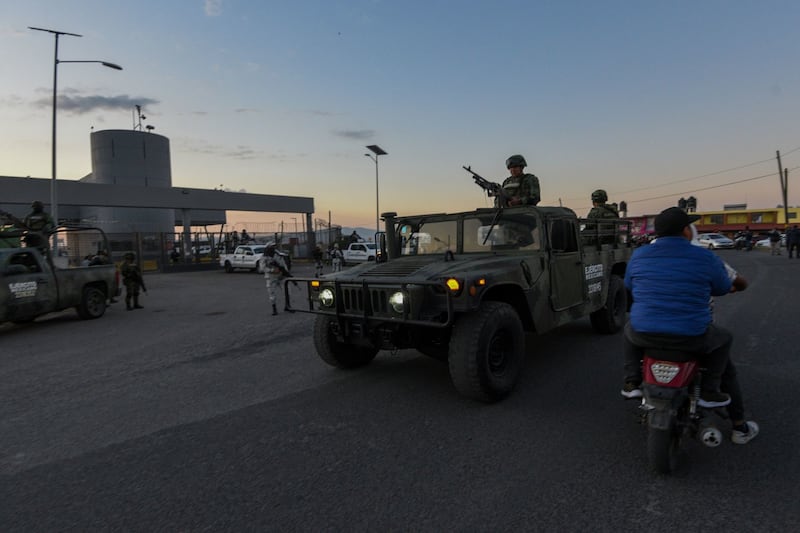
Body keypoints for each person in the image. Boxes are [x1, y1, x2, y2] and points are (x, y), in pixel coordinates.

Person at [622, 207, 758, 444]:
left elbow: (630, 286)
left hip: (646, 334)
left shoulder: (639, 255)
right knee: (724, 340)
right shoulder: (705, 257)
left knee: (628, 329)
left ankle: (632, 380)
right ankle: (714, 396)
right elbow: (722, 287)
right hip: (690, 336)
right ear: (686, 231)